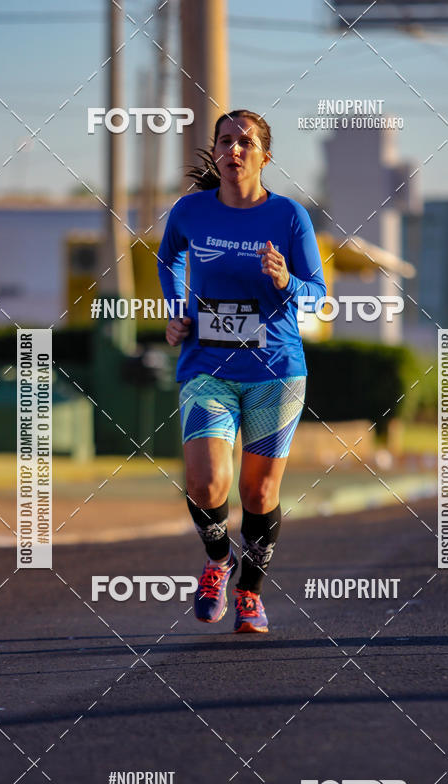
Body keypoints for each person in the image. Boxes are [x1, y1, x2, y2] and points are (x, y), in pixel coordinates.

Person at [157, 109, 326, 633]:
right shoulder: (190, 212)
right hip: (206, 364)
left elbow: (318, 296)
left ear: (264, 156)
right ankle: (217, 561)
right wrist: (176, 308)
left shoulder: (289, 217)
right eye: (225, 141)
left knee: (257, 494)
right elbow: (169, 260)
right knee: (207, 482)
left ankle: (249, 592)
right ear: (217, 151)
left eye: (245, 142)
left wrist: (285, 282)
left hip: (275, 370)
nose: (234, 150)